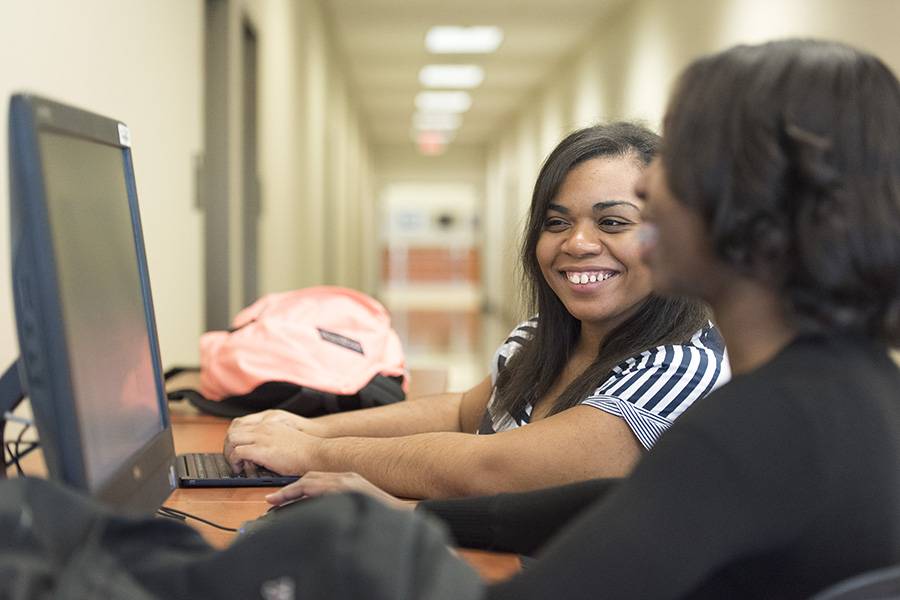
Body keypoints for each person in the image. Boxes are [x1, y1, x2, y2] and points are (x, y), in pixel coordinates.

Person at [397, 39, 900, 599]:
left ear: (752, 203)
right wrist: (416, 511)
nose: (644, 189)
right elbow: (632, 502)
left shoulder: (756, 428)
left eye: (677, 160)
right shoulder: (849, 389)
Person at [224, 123, 727, 500]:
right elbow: (466, 412)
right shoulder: (542, 337)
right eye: (556, 222)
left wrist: (312, 453)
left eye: (613, 222)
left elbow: (490, 468)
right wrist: (309, 428)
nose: (576, 243)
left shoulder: (679, 368)